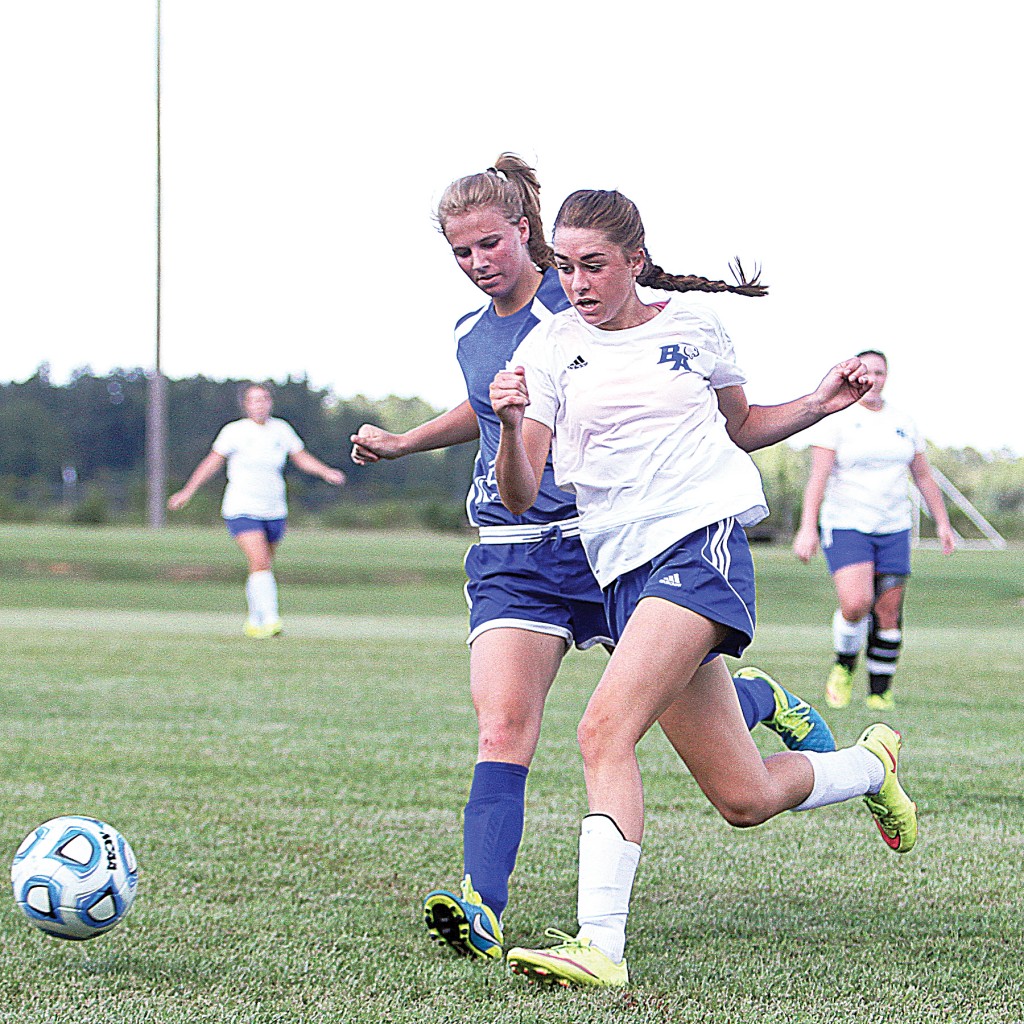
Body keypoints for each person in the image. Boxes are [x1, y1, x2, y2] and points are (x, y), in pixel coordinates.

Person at [349, 156, 837, 965]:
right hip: (518, 554)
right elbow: (488, 414)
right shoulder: (487, 335)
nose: (479, 264)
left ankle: (745, 708)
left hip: (613, 545)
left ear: (526, 236)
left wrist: (809, 404)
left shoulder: (579, 299)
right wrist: (405, 442)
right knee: (506, 723)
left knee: (633, 730)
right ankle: (483, 905)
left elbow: (717, 407)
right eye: (461, 253)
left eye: (491, 245)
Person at [489, 188, 918, 988]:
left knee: (600, 730)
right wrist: (512, 426)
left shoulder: (694, 327)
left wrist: (821, 402)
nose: (577, 282)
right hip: (620, 571)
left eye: (595, 265)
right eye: (565, 266)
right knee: (745, 796)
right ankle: (869, 766)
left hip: (700, 543)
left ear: (635, 262)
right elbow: (521, 491)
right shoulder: (548, 349)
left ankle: (600, 946)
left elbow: (742, 426)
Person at [792, 349, 956, 710]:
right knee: (856, 603)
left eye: (881, 373)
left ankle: (880, 691)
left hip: (893, 527)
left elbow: (923, 476)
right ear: (854, 377)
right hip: (847, 524)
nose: (875, 379)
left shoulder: (903, 421)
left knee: (888, 611)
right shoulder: (837, 420)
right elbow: (817, 479)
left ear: (887, 377)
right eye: (868, 372)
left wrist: (943, 523)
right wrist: (808, 528)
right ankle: (844, 665)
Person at [168, 382, 346, 637]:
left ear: (270, 402)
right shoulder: (234, 432)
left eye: (264, 399)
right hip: (242, 507)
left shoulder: (281, 430)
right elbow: (212, 462)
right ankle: (272, 620)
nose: (260, 404)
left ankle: (254, 620)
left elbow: (301, 456)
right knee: (260, 560)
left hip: (273, 507)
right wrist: (188, 491)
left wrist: (325, 471)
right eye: (254, 400)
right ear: (246, 404)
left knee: (262, 566)